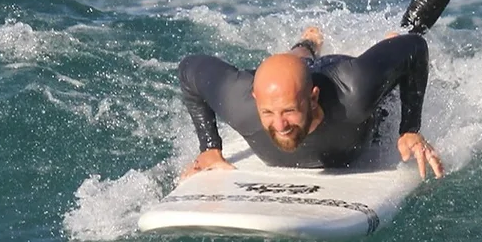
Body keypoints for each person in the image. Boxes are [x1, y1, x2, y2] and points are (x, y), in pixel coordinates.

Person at [178, 27, 444, 180]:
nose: (280, 125)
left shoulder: (353, 94)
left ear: (314, 98)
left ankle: (387, 44)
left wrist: (409, 128)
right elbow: (189, 70)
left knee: (386, 70)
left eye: (289, 111)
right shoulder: (241, 104)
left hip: (339, 72)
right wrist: (210, 147)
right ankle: (306, 44)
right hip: (296, 78)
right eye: (268, 112)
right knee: (292, 65)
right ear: (257, 100)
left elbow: (415, 47)